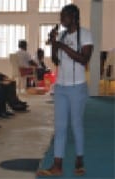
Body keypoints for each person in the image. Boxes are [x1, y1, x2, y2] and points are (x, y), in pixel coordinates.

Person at [37, 4, 93, 177]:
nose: (61, 19)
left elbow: (84, 59)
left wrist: (61, 45)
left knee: (76, 125)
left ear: (74, 17)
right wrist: (54, 43)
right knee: (60, 127)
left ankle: (79, 160)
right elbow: (56, 60)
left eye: (64, 16)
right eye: (61, 16)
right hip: (61, 87)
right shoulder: (61, 35)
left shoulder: (85, 34)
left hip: (77, 87)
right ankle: (57, 165)